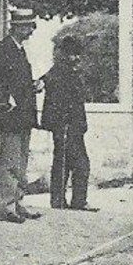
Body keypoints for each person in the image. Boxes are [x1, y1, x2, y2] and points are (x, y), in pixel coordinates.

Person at [0, 8, 41, 223]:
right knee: (10, 160)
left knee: (21, 159)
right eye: (27, 26)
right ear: (16, 27)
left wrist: (32, 86)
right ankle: (5, 207)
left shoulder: (19, 50)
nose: (31, 31)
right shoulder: (2, 50)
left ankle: (17, 201)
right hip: (11, 114)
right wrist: (4, 99)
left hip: (23, 113)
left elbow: (18, 81)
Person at [40, 35, 94, 211]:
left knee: (67, 162)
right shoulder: (60, 73)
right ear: (64, 54)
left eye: (78, 54)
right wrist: (62, 124)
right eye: (73, 54)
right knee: (72, 163)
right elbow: (57, 103)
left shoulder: (64, 72)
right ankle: (66, 201)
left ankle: (62, 201)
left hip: (73, 127)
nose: (76, 58)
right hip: (66, 127)